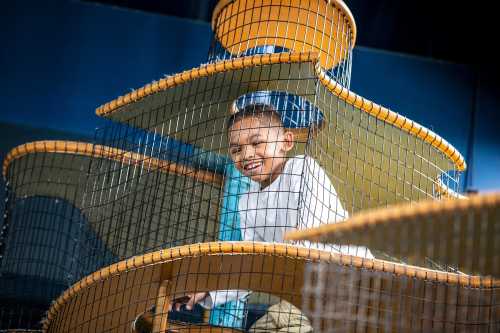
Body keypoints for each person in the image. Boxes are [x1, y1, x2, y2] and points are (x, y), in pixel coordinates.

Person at [171, 103, 373, 331]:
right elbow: (252, 266)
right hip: (309, 300)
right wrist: (207, 290)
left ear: (286, 142)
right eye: (236, 149)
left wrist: (267, 269)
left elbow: (307, 248)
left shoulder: (302, 169)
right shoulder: (247, 202)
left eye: (256, 143)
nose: (246, 154)